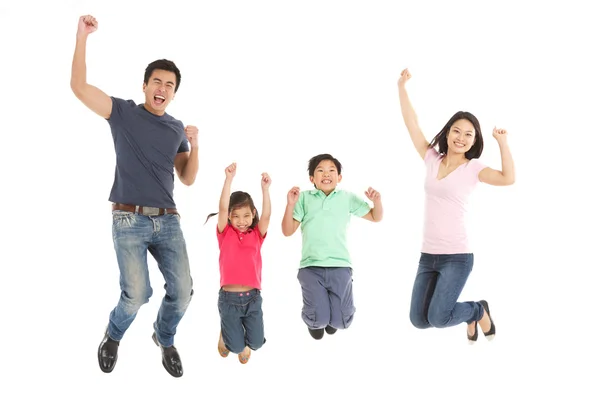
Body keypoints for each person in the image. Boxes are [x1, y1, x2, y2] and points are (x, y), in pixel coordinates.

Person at [70, 15, 199, 377]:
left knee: (184, 291)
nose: (162, 88)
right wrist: (82, 36)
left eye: (169, 84)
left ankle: (164, 336)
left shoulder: (176, 128)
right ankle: (113, 335)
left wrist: (197, 145)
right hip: (128, 218)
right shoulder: (123, 113)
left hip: (168, 221)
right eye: (156, 81)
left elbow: (187, 177)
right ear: (145, 86)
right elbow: (79, 87)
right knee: (137, 293)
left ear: (174, 92)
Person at [397, 68, 515, 344]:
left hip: (457, 257)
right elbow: (411, 123)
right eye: (457, 131)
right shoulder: (431, 158)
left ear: (474, 141)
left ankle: (477, 310)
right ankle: (472, 313)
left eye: (469, 135)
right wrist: (401, 87)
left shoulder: (474, 168)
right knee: (419, 320)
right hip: (428, 256)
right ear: (448, 132)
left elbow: (508, 178)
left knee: (439, 318)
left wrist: (502, 143)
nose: (461, 138)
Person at [281, 154, 383, 340]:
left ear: (339, 177)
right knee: (318, 320)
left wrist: (377, 201)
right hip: (311, 268)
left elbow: (376, 217)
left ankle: (330, 319)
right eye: (320, 170)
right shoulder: (304, 198)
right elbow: (287, 231)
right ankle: (317, 321)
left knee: (342, 322)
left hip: (340, 266)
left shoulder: (347, 198)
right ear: (312, 178)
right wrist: (290, 205)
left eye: (331, 170)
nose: (326, 174)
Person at [204, 162, 271, 364]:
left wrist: (265, 190)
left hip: (252, 299)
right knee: (236, 348)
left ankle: (238, 335)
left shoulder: (257, 235)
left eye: (246, 216)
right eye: (236, 216)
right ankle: (227, 335)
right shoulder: (225, 233)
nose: (241, 221)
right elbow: (223, 207)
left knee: (257, 344)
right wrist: (228, 179)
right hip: (229, 300)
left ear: (253, 214)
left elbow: (267, 215)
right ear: (230, 217)